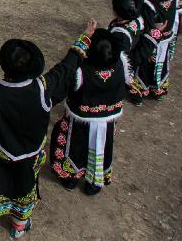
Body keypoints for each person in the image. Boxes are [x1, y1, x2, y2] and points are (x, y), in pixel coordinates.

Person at [0, 29, 86, 241]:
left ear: (3, 65)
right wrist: (83, 41)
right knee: (24, 191)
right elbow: (65, 69)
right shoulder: (43, 87)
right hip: (30, 158)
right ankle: (19, 227)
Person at [50, 29, 130, 195]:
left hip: (79, 121)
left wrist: (81, 42)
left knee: (73, 146)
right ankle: (94, 182)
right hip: (107, 122)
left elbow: (64, 80)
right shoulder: (120, 65)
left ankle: (70, 178)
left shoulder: (80, 72)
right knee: (101, 147)